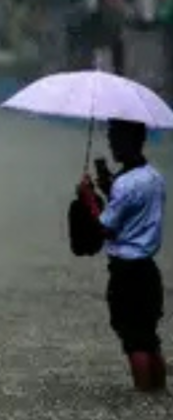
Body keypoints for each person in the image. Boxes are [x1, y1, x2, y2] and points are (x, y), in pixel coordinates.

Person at [76, 119, 167, 392]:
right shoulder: (154, 177)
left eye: (116, 137)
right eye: (111, 136)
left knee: (133, 341)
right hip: (148, 270)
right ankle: (158, 397)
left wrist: (89, 198)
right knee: (149, 339)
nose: (112, 143)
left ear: (133, 139)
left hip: (126, 272)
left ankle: (142, 399)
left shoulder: (126, 185)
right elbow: (132, 212)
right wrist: (108, 188)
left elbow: (105, 228)